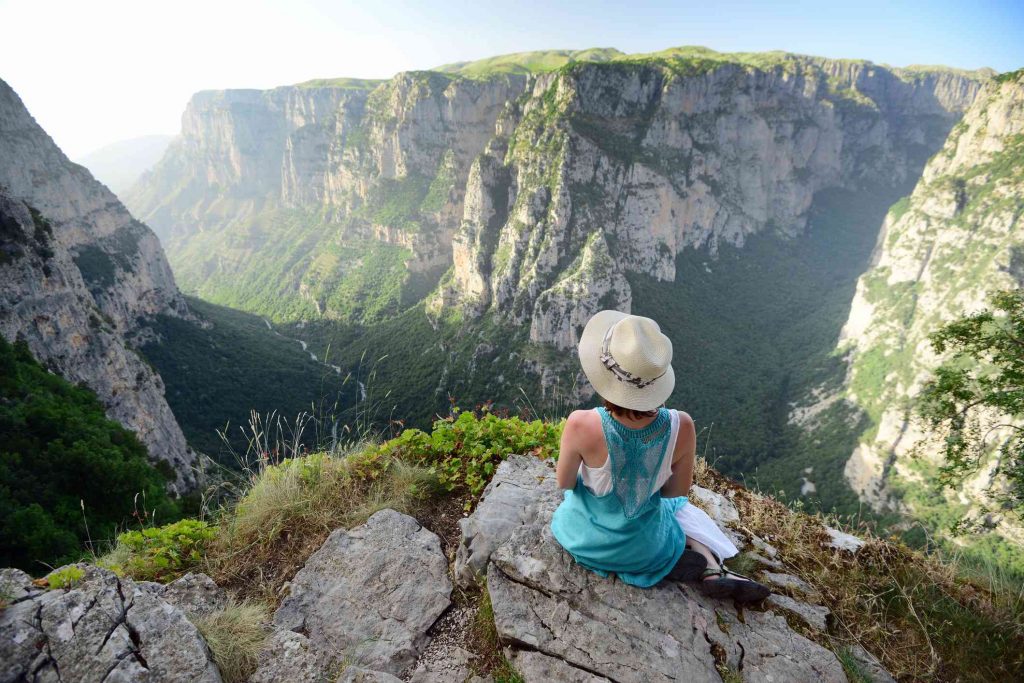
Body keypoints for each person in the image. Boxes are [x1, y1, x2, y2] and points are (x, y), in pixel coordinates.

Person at [550, 310, 771, 602]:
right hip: (646, 550)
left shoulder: (580, 423)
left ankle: (702, 565)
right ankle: (711, 565)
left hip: (584, 541)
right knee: (680, 508)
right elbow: (674, 492)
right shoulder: (682, 426)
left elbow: (564, 483)